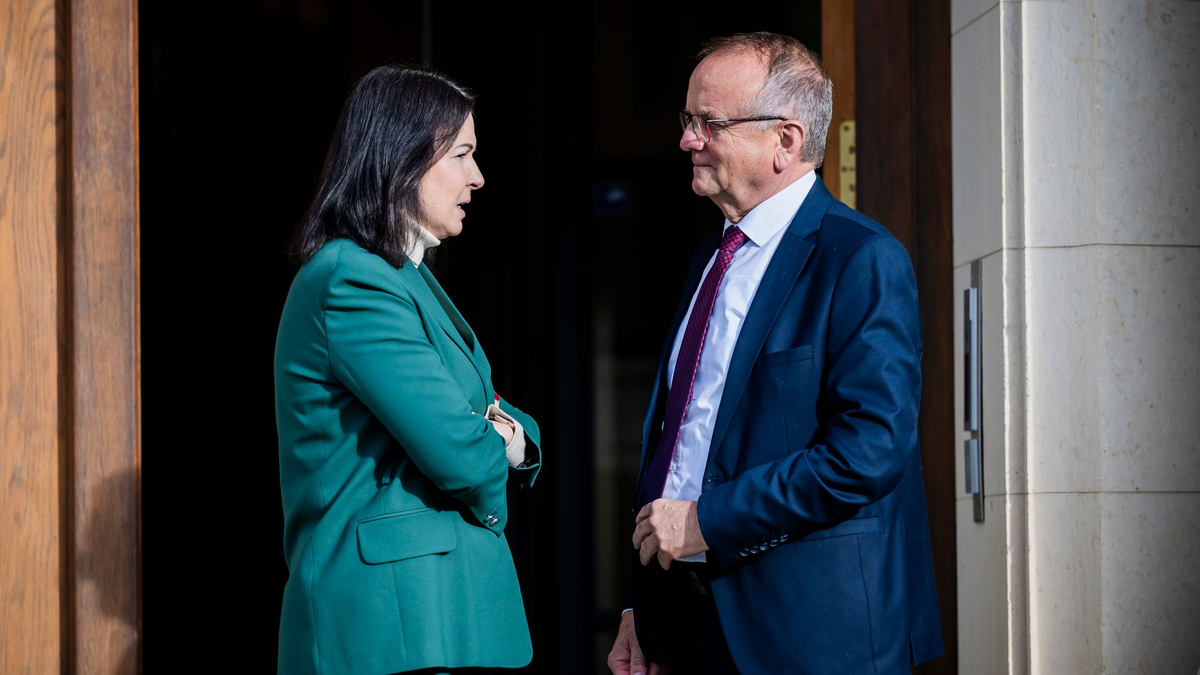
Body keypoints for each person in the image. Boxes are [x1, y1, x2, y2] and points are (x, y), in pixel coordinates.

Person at [607, 33, 943, 674]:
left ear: (786, 141)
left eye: (710, 122)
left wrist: (710, 520)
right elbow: (682, 444)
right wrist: (641, 607)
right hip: (688, 622)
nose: (688, 140)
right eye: (687, 120)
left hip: (811, 635)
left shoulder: (860, 257)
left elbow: (868, 450)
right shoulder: (712, 258)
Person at [274, 64, 541, 675]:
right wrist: (491, 441)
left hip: (431, 624)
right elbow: (456, 449)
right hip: (393, 631)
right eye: (463, 154)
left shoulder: (401, 273)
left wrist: (511, 440)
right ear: (404, 157)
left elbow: (482, 412)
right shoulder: (353, 279)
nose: (478, 177)